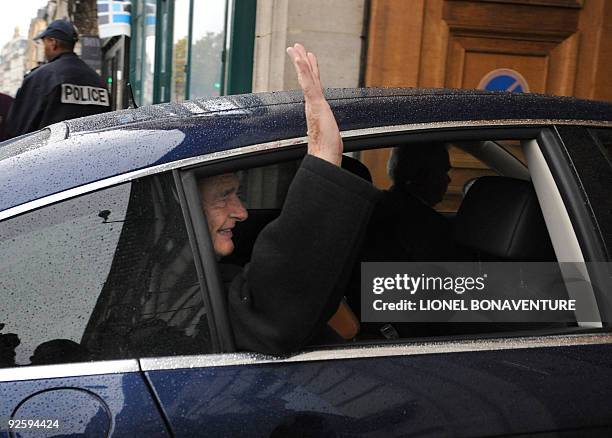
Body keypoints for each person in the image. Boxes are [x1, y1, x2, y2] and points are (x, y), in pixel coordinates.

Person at [197, 43, 379, 355]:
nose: (241, 212)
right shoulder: (189, 299)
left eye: (237, 194)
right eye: (223, 196)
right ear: (182, 207)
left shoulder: (194, 278)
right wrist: (323, 156)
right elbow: (272, 318)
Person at [4, 19, 110, 139]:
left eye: (45, 43)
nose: (44, 49)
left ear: (53, 43)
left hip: (47, 154)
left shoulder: (41, 77)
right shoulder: (98, 81)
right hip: (90, 153)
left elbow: (18, 129)